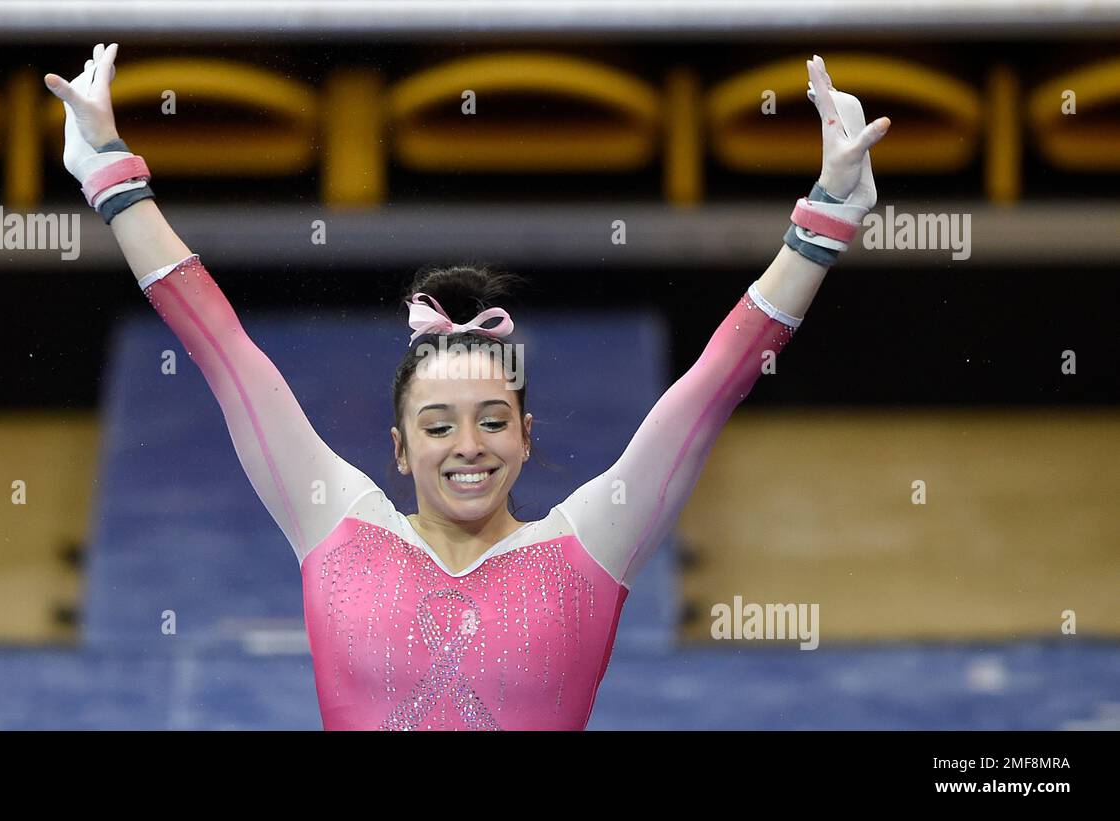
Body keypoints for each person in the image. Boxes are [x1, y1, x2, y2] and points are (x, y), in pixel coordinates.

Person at [45, 45, 890, 730]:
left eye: (492, 419)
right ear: (399, 447)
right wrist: (112, 175)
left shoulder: (588, 546)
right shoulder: (336, 525)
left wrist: (825, 219)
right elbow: (224, 351)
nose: (468, 446)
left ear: (526, 433)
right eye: (438, 425)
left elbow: (712, 386)